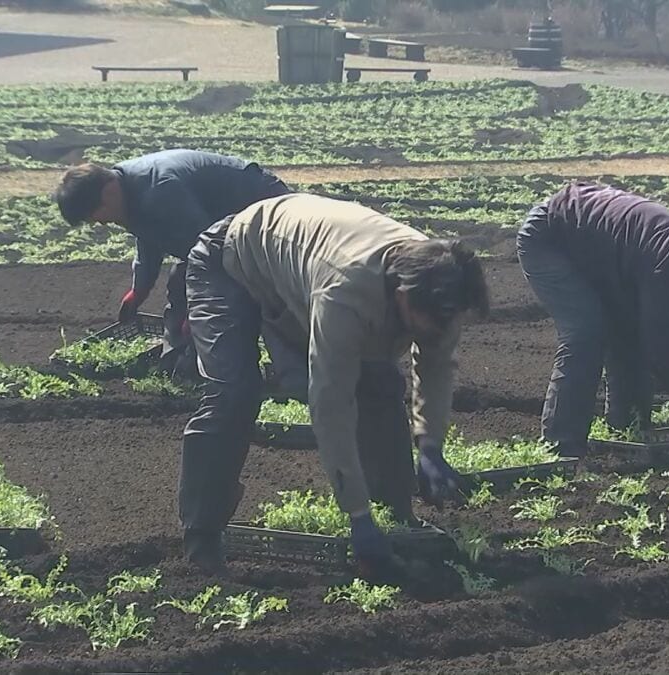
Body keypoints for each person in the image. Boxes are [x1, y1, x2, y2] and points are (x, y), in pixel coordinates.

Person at [180, 193, 490, 576]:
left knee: (379, 382)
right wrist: (356, 513)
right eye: (427, 322)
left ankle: (396, 517)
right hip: (231, 260)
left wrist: (431, 445)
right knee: (234, 392)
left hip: (296, 268)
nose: (437, 331)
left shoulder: (442, 288)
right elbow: (331, 402)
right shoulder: (345, 292)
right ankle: (202, 535)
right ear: (401, 294)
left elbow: (437, 365)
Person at [517, 180, 669, 457]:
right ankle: (561, 443)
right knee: (586, 332)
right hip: (553, 237)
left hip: (603, 253)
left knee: (629, 330)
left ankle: (626, 426)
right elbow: (664, 357)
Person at [51, 149, 292, 375]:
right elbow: (150, 237)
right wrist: (139, 291)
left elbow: (211, 251)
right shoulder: (126, 189)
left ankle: (291, 374)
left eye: (93, 215)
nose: (98, 223)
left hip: (266, 211)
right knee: (182, 283)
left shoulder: (160, 191)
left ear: (108, 193)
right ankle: (179, 364)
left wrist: (198, 310)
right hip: (222, 229)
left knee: (263, 295)